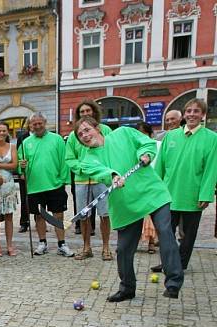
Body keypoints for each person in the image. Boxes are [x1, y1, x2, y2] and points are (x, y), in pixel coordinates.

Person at [74, 118, 183, 301]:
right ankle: (127, 288)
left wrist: (146, 154)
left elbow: (146, 142)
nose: (85, 135)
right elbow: (100, 171)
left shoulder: (123, 133)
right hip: (125, 204)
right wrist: (113, 175)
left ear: (97, 128)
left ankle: (173, 282)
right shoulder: (86, 160)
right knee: (124, 250)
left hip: (151, 193)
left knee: (165, 231)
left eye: (87, 130)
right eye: (80, 135)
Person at [152, 98, 217, 273]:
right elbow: (160, 166)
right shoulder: (170, 136)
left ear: (203, 115)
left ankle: (180, 264)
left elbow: (211, 169)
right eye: (189, 111)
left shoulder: (212, 139)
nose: (192, 114)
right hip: (168, 194)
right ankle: (168, 262)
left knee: (188, 236)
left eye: (196, 111)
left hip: (192, 195)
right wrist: (155, 190)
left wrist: (206, 194)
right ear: (184, 114)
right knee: (165, 233)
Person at [18, 112, 74, 257]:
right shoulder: (25, 143)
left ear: (45, 122)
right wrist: (21, 166)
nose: (37, 126)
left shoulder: (57, 139)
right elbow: (20, 166)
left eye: (39, 123)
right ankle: (42, 242)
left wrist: (63, 180)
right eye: (34, 124)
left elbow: (64, 161)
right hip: (35, 186)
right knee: (39, 216)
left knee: (58, 216)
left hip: (55, 184)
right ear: (30, 126)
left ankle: (62, 244)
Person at [65, 100, 113, 260]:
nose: (85, 114)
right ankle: (86, 247)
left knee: (105, 214)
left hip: (102, 179)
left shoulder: (105, 130)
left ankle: (106, 247)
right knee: (84, 216)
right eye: (82, 112)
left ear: (94, 112)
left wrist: (104, 170)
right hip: (81, 181)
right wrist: (82, 168)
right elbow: (70, 158)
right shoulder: (73, 135)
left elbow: (111, 151)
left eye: (88, 111)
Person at [0, 121, 19, 257]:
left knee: (9, 217)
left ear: (7, 132)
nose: (1, 133)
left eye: (3, 131)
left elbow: (14, 165)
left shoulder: (12, 146)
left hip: (9, 185)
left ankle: (9, 245)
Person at [136, 121, 159, 254]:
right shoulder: (134, 148)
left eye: (144, 134)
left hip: (153, 185)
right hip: (139, 185)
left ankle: (151, 242)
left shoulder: (157, 146)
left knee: (151, 214)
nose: (142, 136)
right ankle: (134, 242)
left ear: (150, 134)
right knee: (138, 214)